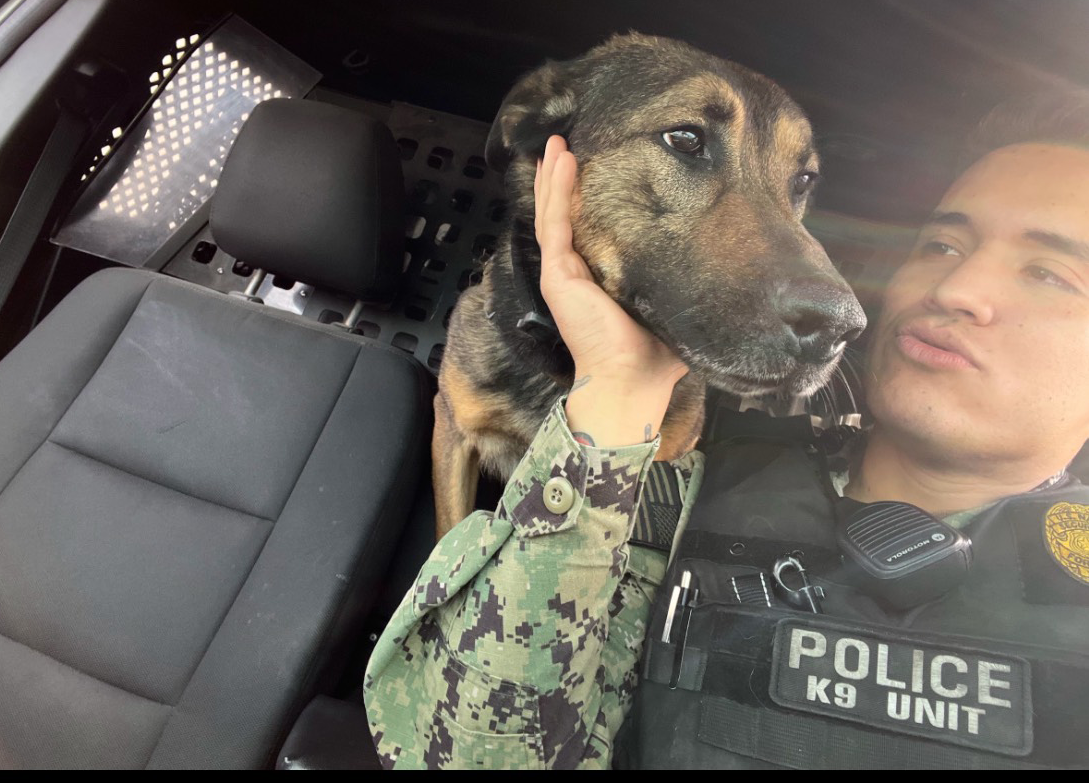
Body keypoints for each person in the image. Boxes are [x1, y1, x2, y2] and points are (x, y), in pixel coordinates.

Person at [363, 95, 1089, 769]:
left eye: (1051, 274)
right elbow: (468, 757)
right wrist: (621, 388)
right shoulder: (680, 481)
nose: (954, 291)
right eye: (940, 247)